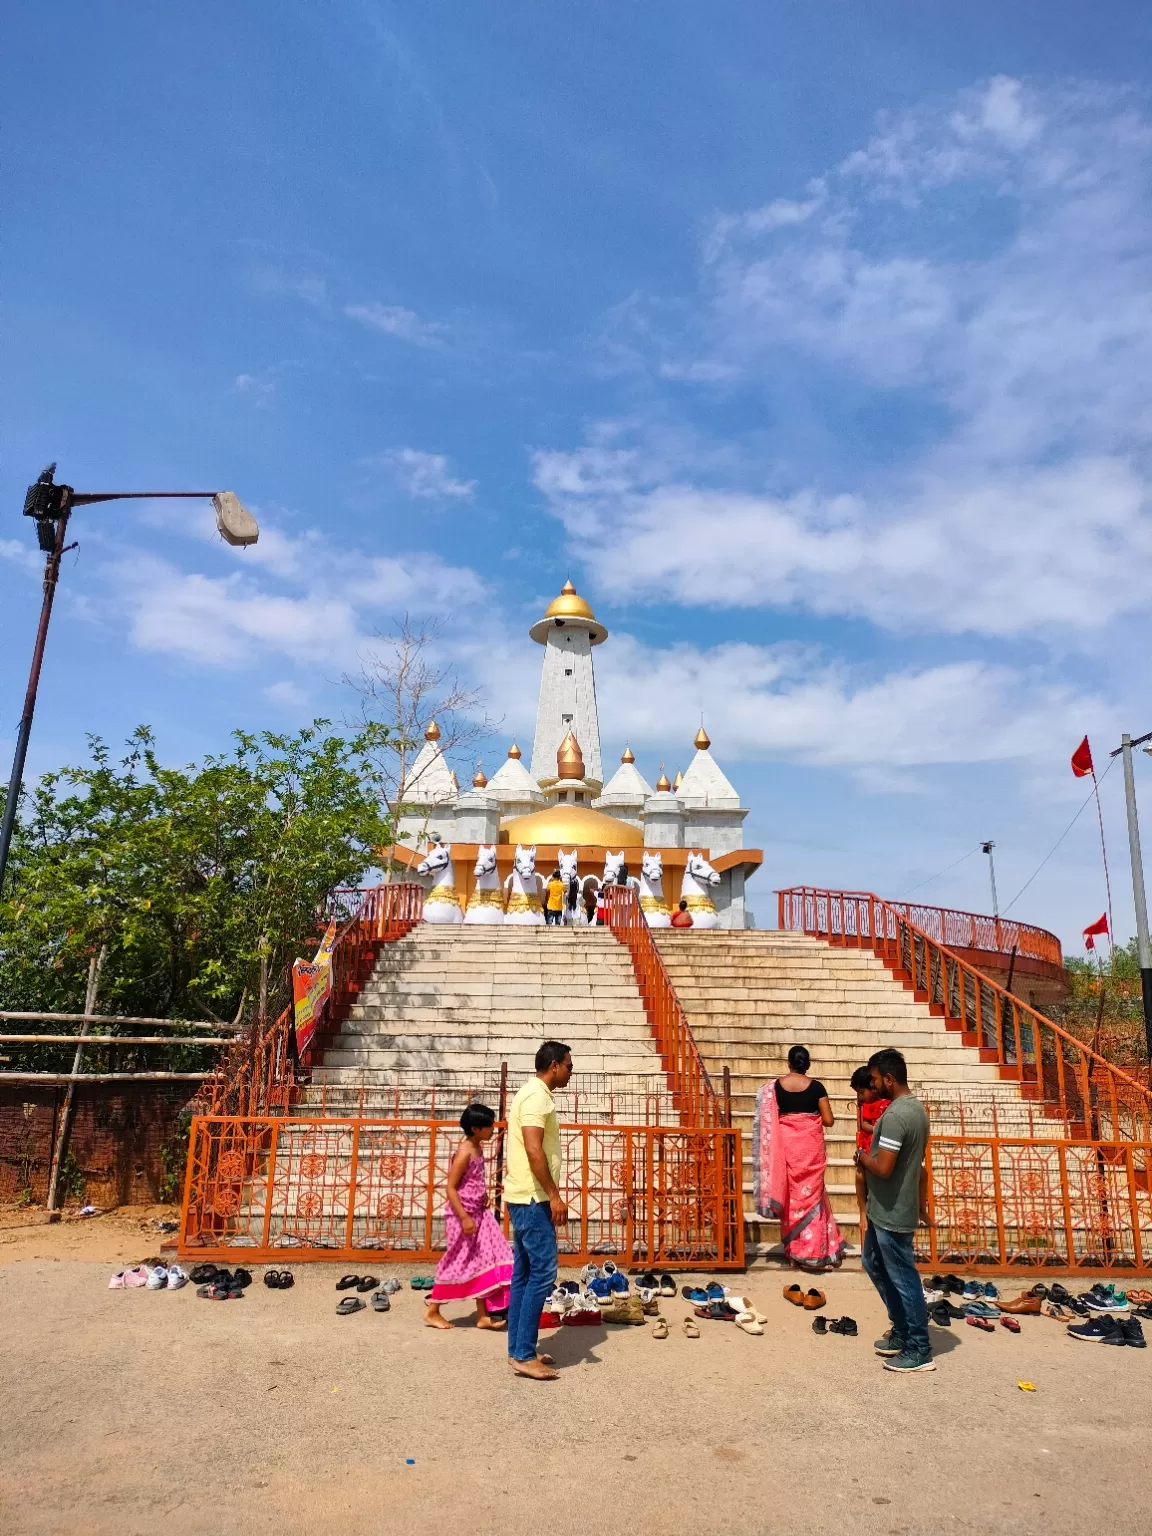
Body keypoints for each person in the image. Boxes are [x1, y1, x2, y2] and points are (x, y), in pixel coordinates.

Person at [855, 1048, 934, 1373]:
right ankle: (902, 1329)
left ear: (889, 1078)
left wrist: (862, 1157)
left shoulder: (900, 1115)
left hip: (893, 1211)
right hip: (882, 1208)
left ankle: (919, 1348)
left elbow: (884, 1167)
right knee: (872, 1262)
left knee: (904, 1279)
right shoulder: (908, 1110)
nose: (872, 1084)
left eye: (874, 1079)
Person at [505, 1040, 573, 1380]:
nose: (570, 1072)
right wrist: (554, 1195)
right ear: (554, 1066)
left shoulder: (535, 1095)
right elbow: (534, 1151)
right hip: (532, 1198)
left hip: (525, 1196)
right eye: (569, 1066)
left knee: (525, 1273)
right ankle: (522, 1353)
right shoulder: (535, 1097)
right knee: (543, 1272)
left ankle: (519, 1348)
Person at [752, 1045, 845, 1270]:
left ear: (789, 1063)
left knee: (792, 1196)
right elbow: (829, 1120)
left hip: (785, 1148)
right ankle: (815, 1250)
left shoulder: (774, 1088)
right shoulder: (816, 1087)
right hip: (810, 1150)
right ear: (808, 1064)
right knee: (812, 1196)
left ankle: (795, 1251)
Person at [424, 1103, 513, 1331]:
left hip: (479, 1214)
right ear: (475, 1128)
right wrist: (464, 1217)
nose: (493, 1128)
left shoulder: (478, 1148)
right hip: (462, 1216)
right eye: (488, 1125)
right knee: (457, 1260)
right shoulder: (464, 1152)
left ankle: (482, 1315)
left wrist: (480, 1197)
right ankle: (433, 1310)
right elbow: (451, 1188)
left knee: (485, 1259)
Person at [851, 1064, 892, 1241]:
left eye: (861, 1092)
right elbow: (864, 1124)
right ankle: (862, 1210)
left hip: (884, 1148)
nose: (859, 1097)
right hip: (868, 1144)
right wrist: (877, 1129)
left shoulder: (888, 1103)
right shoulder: (865, 1105)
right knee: (860, 1173)